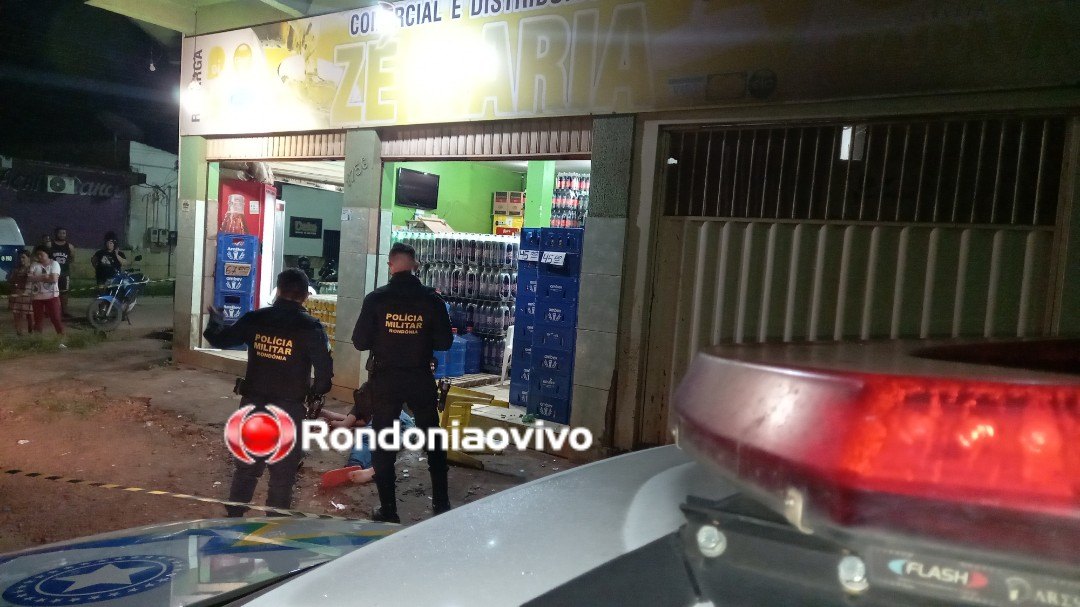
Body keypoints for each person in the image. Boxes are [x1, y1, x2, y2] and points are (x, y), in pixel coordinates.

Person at [204, 268, 333, 517]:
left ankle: (233, 521)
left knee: (246, 469)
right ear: (305, 296)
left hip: (253, 406)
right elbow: (324, 378)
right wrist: (313, 394)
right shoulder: (311, 327)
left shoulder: (255, 319)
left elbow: (219, 340)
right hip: (289, 411)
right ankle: (275, 529)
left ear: (278, 290)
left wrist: (216, 320)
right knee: (282, 476)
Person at [352, 242, 453, 523]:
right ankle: (442, 503)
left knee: (383, 441)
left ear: (390, 265)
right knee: (432, 437)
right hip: (419, 376)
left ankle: (389, 510)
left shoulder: (376, 299)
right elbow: (445, 342)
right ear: (416, 266)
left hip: (385, 380)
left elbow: (359, 341)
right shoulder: (432, 300)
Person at [26, 245, 65, 345]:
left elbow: (54, 279)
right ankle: (37, 342)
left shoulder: (54, 264)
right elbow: (29, 278)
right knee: (38, 320)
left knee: (56, 318)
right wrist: (45, 277)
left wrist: (37, 277)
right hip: (37, 297)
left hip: (52, 297)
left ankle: (62, 340)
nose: (39, 257)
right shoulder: (34, 265)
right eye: (37, 255)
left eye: (41, 254)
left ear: (47, 254)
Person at [50, 227, 75, 317]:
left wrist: (65, 265)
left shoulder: (70, 246)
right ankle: (51, 311)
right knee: (51, 292)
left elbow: (72, 258)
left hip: (64, 273)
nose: (62, 235)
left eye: (64, 233)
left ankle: (64, 311)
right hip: (52, 273)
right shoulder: (50, 245)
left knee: (64, 293)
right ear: (56, 234)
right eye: (60, 233)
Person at [7, 249, 33, 335]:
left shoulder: (32, 268)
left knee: (29, 314)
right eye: (20, 258)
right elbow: (11, 281)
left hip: (28, 293)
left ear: (29, 258)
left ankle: (31, 332)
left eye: (23, 257)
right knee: (16, 313)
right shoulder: (17, 269)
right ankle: (19, 332)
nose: (21, 259)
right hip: (18, 293)